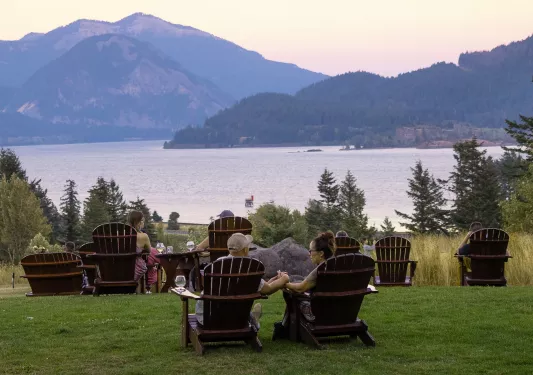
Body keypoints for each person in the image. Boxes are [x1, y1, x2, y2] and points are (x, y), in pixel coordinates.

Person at [195, 233, 289, 328]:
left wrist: (270, 282)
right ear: (245, 249)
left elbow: (261, 287)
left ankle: (253, 318)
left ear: (229, 248)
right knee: (240, 309)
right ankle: (253, 319)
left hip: (207, 319)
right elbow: (267, 290)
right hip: (237, 319)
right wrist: (284, 279)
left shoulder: (218, 264)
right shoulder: (249, 267)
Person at [283, 232, 336, 322]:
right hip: (339, 311)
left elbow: (300, 288)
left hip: (320, 314)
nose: (309, 254)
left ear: (321, 253)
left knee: (289, 295)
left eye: (311, 251)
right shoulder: (338, 266)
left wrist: (284, 284)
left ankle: (285, 329)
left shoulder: (321, 269)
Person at [127, 211, 151, 284]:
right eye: (142, 221)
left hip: (116, 268)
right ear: (139, 222)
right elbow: (149, 251)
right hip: (134, 269)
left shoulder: (120, 233)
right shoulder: (143, 236)